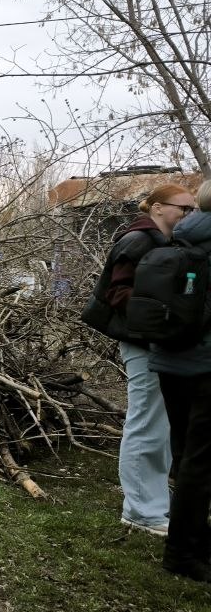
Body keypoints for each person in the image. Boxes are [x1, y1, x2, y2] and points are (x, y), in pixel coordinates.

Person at [85, 183, 193, 537]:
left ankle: (151, 503)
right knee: (146, 422)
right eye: (184, 208)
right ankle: (140, 512)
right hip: (142, 343)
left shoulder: (165, 242)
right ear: (159, 208)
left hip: (155, 343)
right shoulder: (138, 240)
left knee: (158, 424)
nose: (189, 215)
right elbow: (118, 293)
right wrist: (161, 319)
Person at [143, 179, 211, 582]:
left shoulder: (180, 239)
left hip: (170, 362)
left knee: (188, 456)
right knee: (200, 463)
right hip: (205, 367)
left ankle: (193, 542)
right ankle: (185, 553)